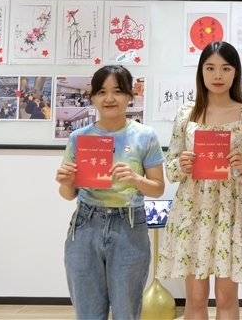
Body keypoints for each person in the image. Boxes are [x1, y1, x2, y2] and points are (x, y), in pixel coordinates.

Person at [158, 41, 242, 320]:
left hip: (231, 210)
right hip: (192, 209)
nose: (218, 75)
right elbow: (171, 167)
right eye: (210, 68)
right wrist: (181, 164)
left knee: (227, 297)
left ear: (235, 72)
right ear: (201, 72)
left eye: (225, 68)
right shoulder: (187, 113)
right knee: (195, 298)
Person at [55, 65, 165, 320]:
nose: (109, 98)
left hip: (130, 225)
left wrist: (136, 178)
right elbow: (69, 194)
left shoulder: (145, 136)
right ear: (93, 97)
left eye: (117, 91)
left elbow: (158, 188)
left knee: (126, 311)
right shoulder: (78, 137)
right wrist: (66, 181)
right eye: (102, 92)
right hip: (85, 225)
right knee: (88, 312)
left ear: (130, 95)